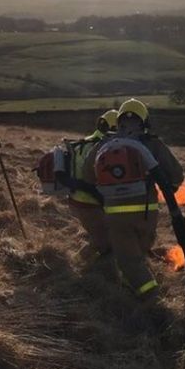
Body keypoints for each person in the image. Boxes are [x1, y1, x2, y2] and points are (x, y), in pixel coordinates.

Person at [94, 99, 183, 297]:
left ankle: (151, 298)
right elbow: (176, 176)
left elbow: (88, 174)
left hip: (116, 217)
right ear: (145, 121)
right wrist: (165, 190)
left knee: (128, 260)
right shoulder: (154, 144)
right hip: (147, 213)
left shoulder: (106, 144)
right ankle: (130, 290)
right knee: (138, 256)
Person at [61, 109, 119, 270]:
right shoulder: (105, 148)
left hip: (76, 200)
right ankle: (78, 265)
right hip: (90, 204)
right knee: (105, 243)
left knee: (104, 236)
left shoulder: (83, 143)